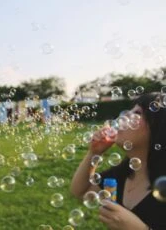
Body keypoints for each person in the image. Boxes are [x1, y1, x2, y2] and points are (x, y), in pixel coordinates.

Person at [71, 92, 166, 230]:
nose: (124, 115)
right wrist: (94, 153)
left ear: (159, 128)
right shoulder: (122, 174)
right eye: (130, 110)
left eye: (138, 113)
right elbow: (81, 192)